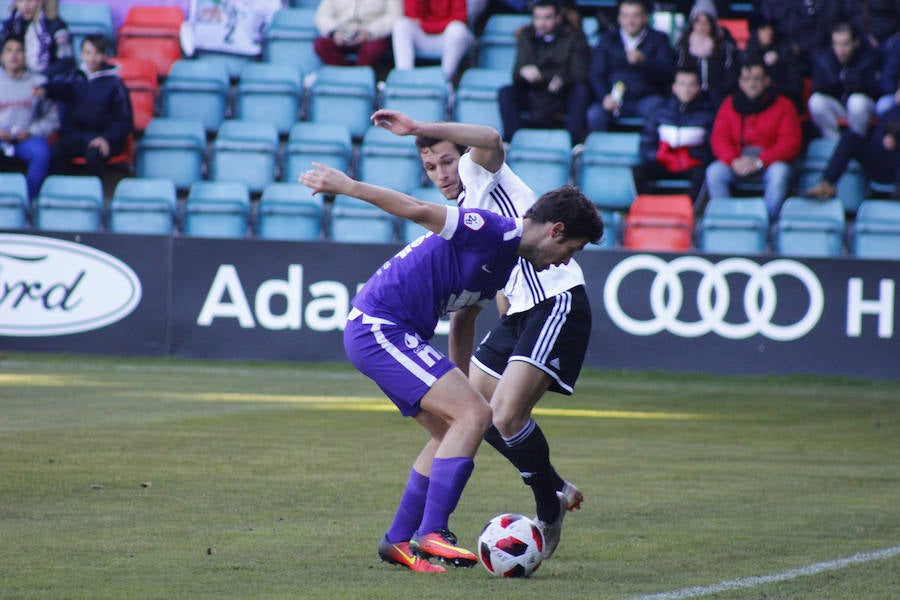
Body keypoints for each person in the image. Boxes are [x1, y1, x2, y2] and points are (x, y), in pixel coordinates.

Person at [299, 141, 603, 573]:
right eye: (569, 251)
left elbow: (463, 319)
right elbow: (418, 209)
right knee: (476, 415)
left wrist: (456, 387)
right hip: (380, 327)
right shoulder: (493, 230)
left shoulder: (506, 264)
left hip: (388, 332)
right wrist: (348, 186)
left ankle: (397, 540)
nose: (562, 263)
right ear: (554, 231)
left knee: (452, 428)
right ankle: (433, 532)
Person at [370, 105, 599, 559]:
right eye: (430, 167)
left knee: (506, 416)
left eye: (447, 161)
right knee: (471, 417)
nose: (441, 174)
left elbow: (491, 138)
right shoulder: (463, 214)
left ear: (464, 155)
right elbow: (465, 314)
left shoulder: (481, 175)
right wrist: (453, 383)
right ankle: (549, 487)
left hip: (556, 300)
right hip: (518, 313)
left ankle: (547, 507)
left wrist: (418, 127)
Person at [705, 58, 802, 218]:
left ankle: (766, 221)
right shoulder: (729, 104)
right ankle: (725, 219)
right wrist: (733, 160)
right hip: (737, 162)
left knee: (779, 173)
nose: (752, 84)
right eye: (747, 79)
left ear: (767, 81)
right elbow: (719, 138)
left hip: (768, 163)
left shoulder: (784, 106)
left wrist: (760, 161)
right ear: (740, 82)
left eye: (757, 79)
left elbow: (790, 143)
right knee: (714, 172)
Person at [497, 0, 591, 144]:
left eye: (547, 17)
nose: (541, 23)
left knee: (580, 91)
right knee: (506, 92)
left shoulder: (575, 37)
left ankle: (575, 143)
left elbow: (579, 73)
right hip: (533, 93)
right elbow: (516, 74)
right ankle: (511, 141)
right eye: (538, 18)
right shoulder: (526, 36)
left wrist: (562, 80)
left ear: (558, 18)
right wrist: (523, 72)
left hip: (561, 94)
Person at [40, 34, 132, 179]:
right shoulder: (74, 77)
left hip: (103, 139)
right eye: (88, 53)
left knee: (94, 155)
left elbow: (124, 120)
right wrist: (44, 90)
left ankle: (95, 191)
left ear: (104, 55)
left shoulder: (115, 84)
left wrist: (107, 138)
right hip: (77, 137)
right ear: (82, 54)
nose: (92, 58)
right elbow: (61, 89)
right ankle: (61, 189)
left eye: (97, 53)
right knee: (56, 151)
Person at [587, 0, 675, 132]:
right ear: (619, 18)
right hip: (614, 98)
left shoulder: (659, 39)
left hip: (646, 98)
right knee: (595, 115)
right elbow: (595, 74)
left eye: (636, 16)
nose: (630, 21)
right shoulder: (607, 40)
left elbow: (668, 72)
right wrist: (604, 97)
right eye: (626, 16)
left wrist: (644, 61)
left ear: (645, 17)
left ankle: (648, 145)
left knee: (657, 111)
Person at [633, 66, 715, 208]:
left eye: (691, 84)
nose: (686, 89)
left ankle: (689, 211)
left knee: (703, 174)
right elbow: (646, 143)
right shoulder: (659, 112)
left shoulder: (707, 114)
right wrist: (661, 156)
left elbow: (711, 147)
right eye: (682, 84)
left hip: (692, 164)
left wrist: (691, 157)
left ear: (698, 88)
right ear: (674, 87)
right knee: (639, 171)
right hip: (664, 162)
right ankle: (649, 208)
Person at [0, 34, 57, 202]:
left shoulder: (39, 82)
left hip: (27, 138)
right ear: (2, 56)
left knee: (41, 153)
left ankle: (28, 201)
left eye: (19, 51)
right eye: (9, 50)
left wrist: (31, 131)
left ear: (26, 56)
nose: (14, 55)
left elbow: (52, 118)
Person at [802, 103, 900, 200]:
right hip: (885, 163)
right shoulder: (892, 112)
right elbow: (877, 138)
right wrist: (885, 142)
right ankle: (826, 184)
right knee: (850, 138)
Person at [807, 21, 881, 140]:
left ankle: (855, 143)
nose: (840, 50)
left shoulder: (868, 57)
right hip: (840, 105)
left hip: (864, 107)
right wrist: (837, 81)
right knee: (815, 101)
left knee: (856, 102)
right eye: (836, 44)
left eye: (845, 44)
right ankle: (834, 143)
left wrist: (848, 80)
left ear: (856, 42)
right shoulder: (825, 58)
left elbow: (875, 90)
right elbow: (818, 87)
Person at [673, 0, 738, 107]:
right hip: (690, 98)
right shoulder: (683, 48)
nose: (702, 26)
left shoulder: (725, 48)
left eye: (706, 22)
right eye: (698, 21)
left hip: (718, 98)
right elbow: (679, 72)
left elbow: (730, 77)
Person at [391, 0, 474, 84]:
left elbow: (460, 18)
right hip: (423, 37)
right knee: (401, 25)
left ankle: (444, 81)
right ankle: (404, 79)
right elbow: (411, 15)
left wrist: (428, 26)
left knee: (457, 30)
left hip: (446, 38)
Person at [313, 0, 402, 68]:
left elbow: (394, 16)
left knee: (374, 49)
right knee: (321, 45)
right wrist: (334, 32)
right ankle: (344, 75)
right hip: (342, 33)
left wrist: (369, 32)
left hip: (371, 35)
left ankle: (359, 75)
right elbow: (323, 15)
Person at [743, 16, 804, 112]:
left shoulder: (786, 53)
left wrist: (772, 85)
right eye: (763, 29)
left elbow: (796, 86)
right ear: (755, 32)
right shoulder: (747, 55)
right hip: (755, 106)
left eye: (770, 28)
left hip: (783, 103)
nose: (769, 32)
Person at [1, 0, 73, 79]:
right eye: (21, 1)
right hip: (14, 79)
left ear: (40, 2)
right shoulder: (10, 27)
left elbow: (66, 61)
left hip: (47, 80)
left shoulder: (56, 26)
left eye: (30, 1)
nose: (25, 5)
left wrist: (38, 78)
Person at [875, 36, 900, 115]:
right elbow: (888, 78)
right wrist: (896, 90)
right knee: (884, 105)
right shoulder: (897, 45)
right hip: (896, 94)